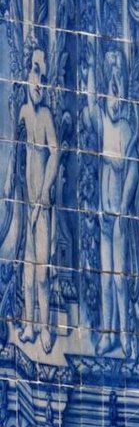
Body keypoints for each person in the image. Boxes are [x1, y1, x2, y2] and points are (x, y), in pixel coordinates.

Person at [85, 47, 136, 353]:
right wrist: (92, 66)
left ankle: (124, 334)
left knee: (120, 278)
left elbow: (132, 173)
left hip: (118, 215)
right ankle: (107, 333)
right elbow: (90, 103)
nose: (115, 101)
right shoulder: (102, 122)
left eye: (119, 94)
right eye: (112, 93)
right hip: (104, 213)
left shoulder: (126, 130)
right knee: (106, 276)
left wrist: (123, 210)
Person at [18, 44, 58, 352]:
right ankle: (29, 324)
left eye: (44, 78)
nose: (39, 83)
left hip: (41, 206)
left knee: (42, 272)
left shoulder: (45, 116)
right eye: (35, 72)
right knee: (28, 271)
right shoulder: (23, 113)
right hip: (25, 202)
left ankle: (45, 327)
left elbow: (55, 152)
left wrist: (44, 194)